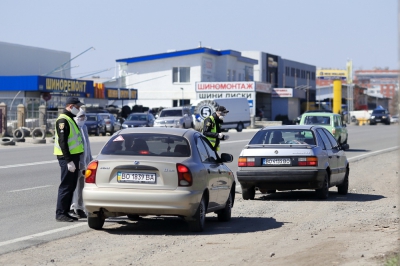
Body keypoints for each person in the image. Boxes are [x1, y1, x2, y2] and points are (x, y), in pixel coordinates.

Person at [54, 97, 84, 222]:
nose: (79, 109)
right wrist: (68, 161)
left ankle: (66, 212)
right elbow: (62, 142)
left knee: (71, 186)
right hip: (67, 158)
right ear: (70, 106)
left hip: (74, 157)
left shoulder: (71, 119)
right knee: (66, 186)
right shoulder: (63, 120)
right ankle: (60, 213)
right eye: (77, 107)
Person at [69, 109, 92, 219]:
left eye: (83, 117)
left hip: (84, 162)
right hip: (75, 162)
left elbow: (87, 145)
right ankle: (71, 207)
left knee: (82, 185)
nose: (82, 119)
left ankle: (79, 208)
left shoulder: (84, 128)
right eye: (80, 117)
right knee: (72, 185)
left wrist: (89, 160)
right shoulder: (73, 128)